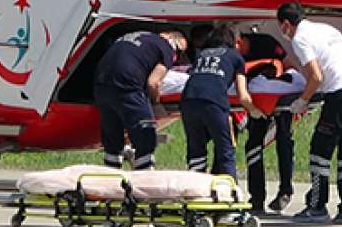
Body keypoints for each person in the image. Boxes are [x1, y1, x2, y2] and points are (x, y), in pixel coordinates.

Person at [277, 2, 342, 225]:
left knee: (320, 150)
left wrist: (302, 101)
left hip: (341, 92)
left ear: (286, 24)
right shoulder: (326, 28)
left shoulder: (300, 38)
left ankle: (317, 206)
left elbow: (316, 76)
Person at [94, 29, 187, 170]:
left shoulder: (139, 37)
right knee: (146, 135)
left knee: (112, 141)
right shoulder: (166, 48)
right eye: (179, 54)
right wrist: (156, 105)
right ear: (175, 44)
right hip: (126, 84)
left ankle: (110, 178)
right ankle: (144, 179)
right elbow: (153, 83)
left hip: (100, 84)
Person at [180, 22, 258, 177]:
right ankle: (230, 194)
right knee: (225, 150)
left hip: (188, 100)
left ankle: (195, 191)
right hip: (213, 102)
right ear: (235, 41)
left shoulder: (201, 54)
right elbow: (243, 95)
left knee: (196, 151)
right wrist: (255, 111)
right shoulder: (235, 57)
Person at [238, 31, 297, 215]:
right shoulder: (234, 54)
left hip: (277, 92)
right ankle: (256, 198)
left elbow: (288, 63)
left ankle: (285, 190)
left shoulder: (266, 42)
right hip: (257, 98)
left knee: (284, 140)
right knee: (253, 145)